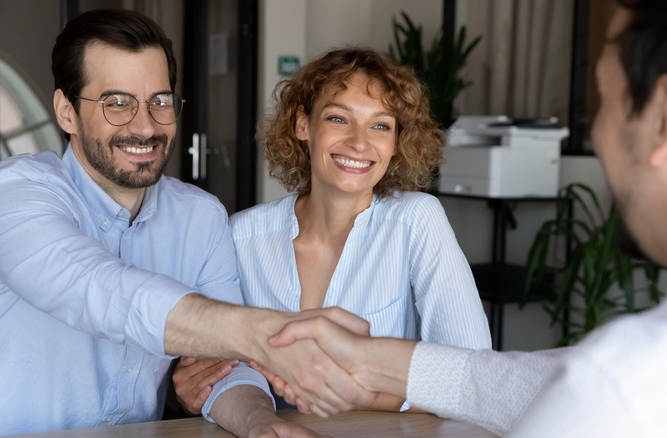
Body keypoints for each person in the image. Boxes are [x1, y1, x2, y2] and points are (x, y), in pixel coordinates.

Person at [258, 0, 667, 436]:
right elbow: (509, 382)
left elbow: (576, 386)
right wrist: (364, 364)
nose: (596, 131)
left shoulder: (619, 388)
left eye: (603, 99)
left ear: (665, 118)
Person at [0, 9, 373, 437]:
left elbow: (225, 372)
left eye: (160, 101)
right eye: (117, 103)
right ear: (66, 112)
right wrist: (260, 333)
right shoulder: (12, 194)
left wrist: (262, 425)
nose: (145, 126)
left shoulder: (199, 217)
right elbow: (98, 289)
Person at [173, 47, 492, 426]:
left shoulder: (416, 221)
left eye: (380, 125)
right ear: (302, 125)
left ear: (395, 142)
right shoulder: (242, 236)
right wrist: (199, 389)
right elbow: (215, 373)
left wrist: (358, 394)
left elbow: (473, 377)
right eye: (339, 118)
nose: (360, 142)